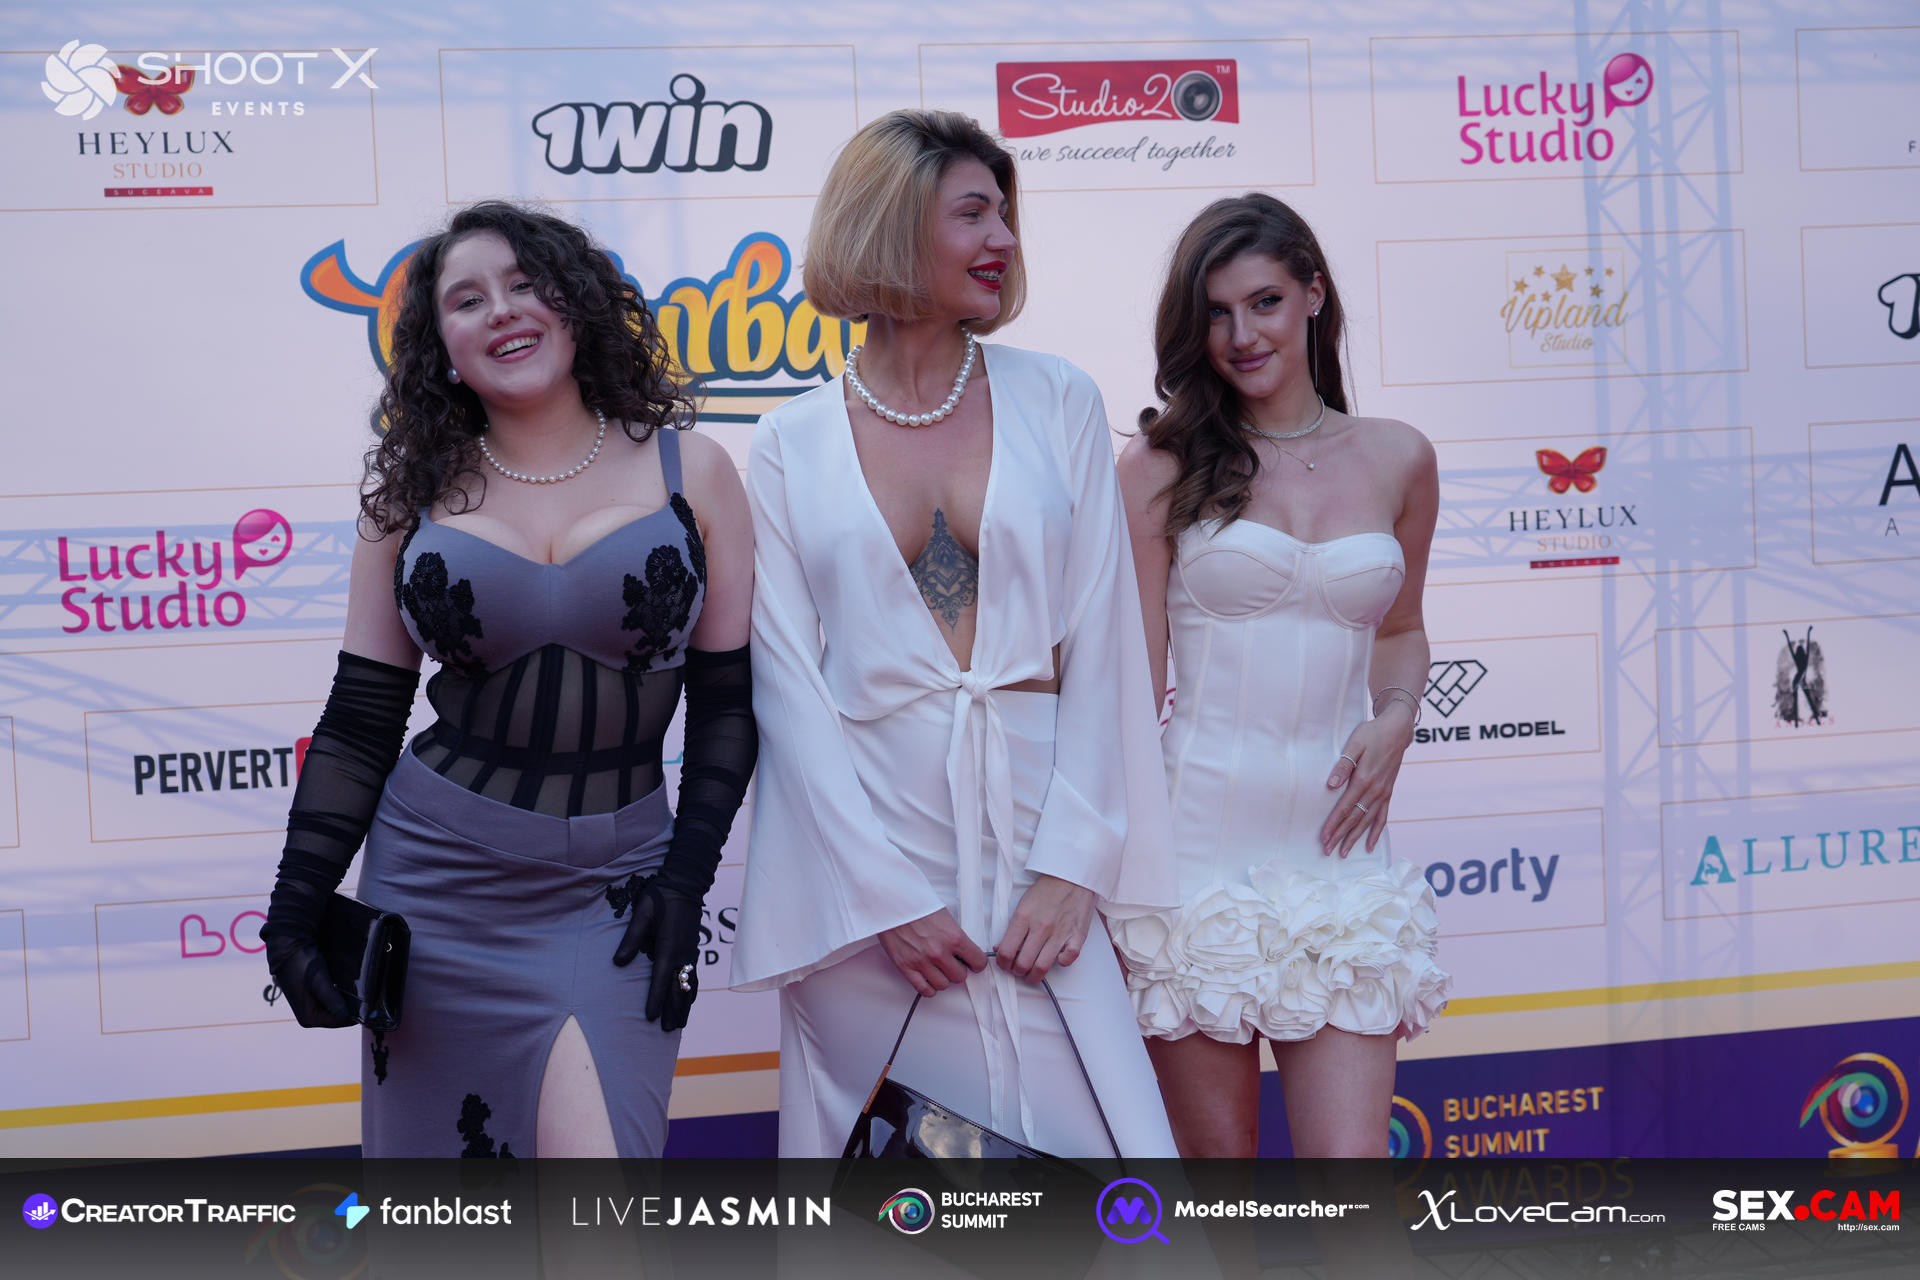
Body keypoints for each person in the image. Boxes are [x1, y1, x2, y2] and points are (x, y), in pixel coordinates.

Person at [260, 201, 756, 1157]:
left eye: (526, 284)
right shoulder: (407, 497)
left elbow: (727, 706)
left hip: (618, 888)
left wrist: (685, 881)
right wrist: (293, 908)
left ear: (577, 305)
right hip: (437, 883)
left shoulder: (693, 469)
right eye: (467, 300)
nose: (502, 311)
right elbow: (362, 719)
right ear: (441, 347)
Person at [733, 109, 1180, 1158]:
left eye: (1005, 215)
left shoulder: (1059, 397)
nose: (1004, 240)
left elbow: (1107, 642)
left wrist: (1076, 864)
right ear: (893, 224)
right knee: (889, 1184)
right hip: (873, 862)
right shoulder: (790, 440)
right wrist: (878, 900)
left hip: (1039, 834)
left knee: (1109, 1171)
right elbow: (789, 690)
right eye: (973, 213)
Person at [1113, 193, 1451, 1158]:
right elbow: (1131, 680)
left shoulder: (1399, 457)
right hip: (1189, 857)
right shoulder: (1159, 465)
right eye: (1216, 313)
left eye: (1263, 301)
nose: (1241, 335)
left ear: (1313, 293)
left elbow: (1402, 629)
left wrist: (1397, 715)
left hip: (1340, 852)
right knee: (1223, 1191)